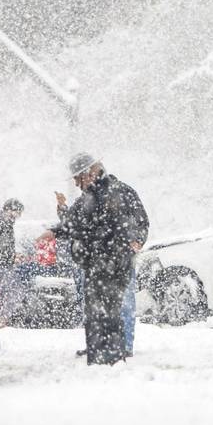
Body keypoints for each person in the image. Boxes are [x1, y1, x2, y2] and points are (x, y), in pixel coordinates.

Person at [38, 153, 148, 365]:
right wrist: (55, 231)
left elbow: (140, 220)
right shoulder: (87, 198)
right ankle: (99, 354)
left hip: (115, 262)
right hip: (95, 264)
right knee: (96, 311)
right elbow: (73, 223)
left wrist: (137, 240)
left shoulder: (121, 192)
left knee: (115, 308)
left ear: (92, 172)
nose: (77, 184)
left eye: (79, 178)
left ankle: (116, 352)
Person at [0, 198, 26, 321]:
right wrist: (12, 257)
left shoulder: (2, 222)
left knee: (1, 292)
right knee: (12, 291)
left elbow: (0, 246)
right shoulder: (0, 223)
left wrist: (13, 255)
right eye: (18, 212)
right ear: (9, 210)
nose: (18, 216)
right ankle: (0, 318)